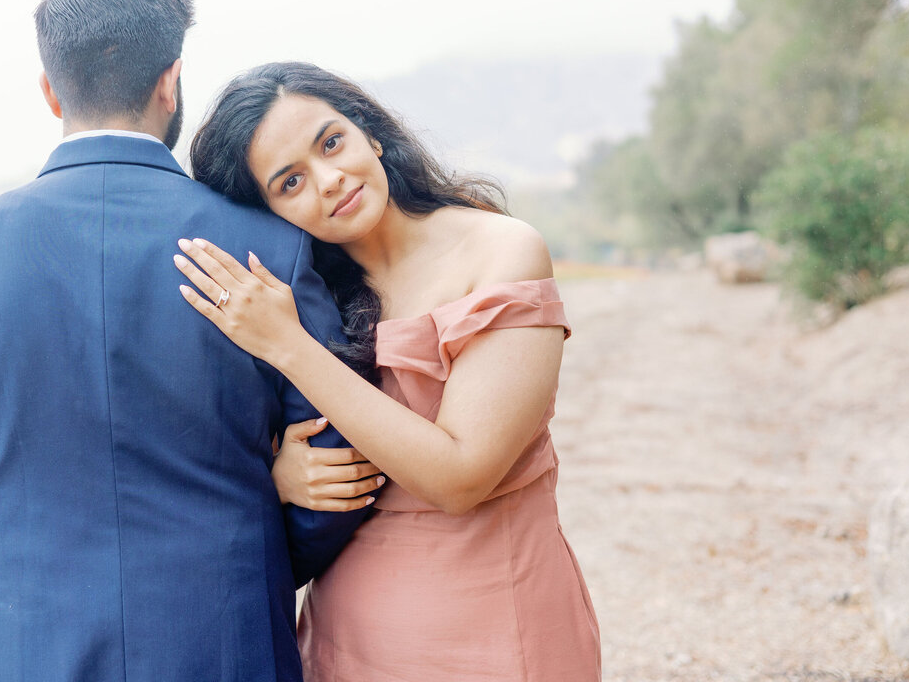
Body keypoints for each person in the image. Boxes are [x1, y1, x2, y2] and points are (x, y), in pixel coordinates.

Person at [0, 0, 374, 682]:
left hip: (27, 651)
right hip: (228, 642)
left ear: (50, 89)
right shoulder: (272, 245)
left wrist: (19, 566)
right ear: (170, 81)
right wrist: (250, 550)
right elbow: (343, 465)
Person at [174, 62, 601, 681]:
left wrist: (290, 347)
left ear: (369, 132)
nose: (330, 179)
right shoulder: (302, 298)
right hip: (346, 636)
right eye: (290, 182)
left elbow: (461, 476)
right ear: (267, 212)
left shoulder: (501, 250)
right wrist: (278, 470)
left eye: (331, 142)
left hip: (497, 625)